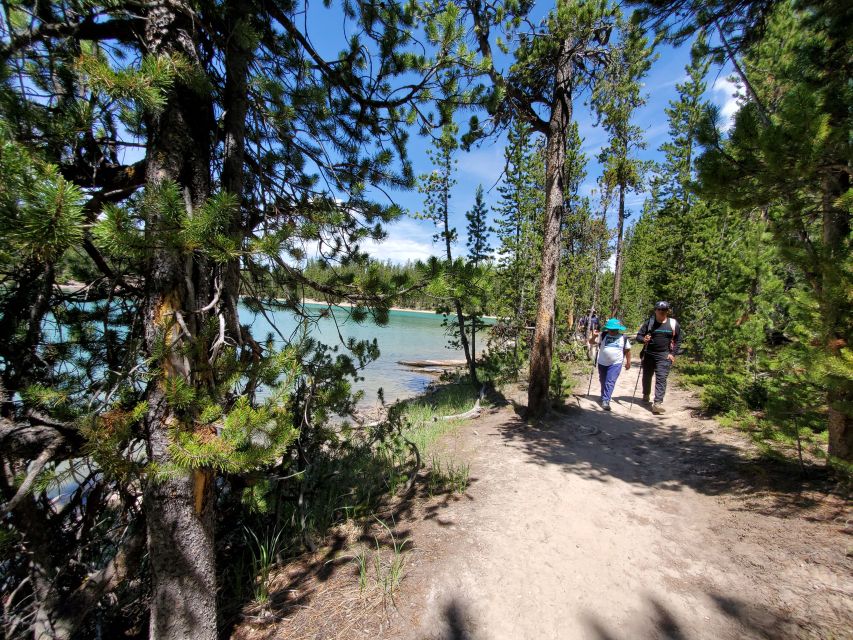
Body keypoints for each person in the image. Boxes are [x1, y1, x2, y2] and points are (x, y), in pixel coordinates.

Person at [635, 301, 683, 414]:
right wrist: (643, 340)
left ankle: (657, 403)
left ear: (668, 311)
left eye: (664, 310)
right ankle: (646, 394)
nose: (662, 312)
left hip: (664, 355)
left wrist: (673, 353)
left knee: (661, 378)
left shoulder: (673, 323)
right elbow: (638, 336)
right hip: (649, 354)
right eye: (659, 310)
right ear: (655, 310)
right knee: (647, 376)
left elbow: (678, 340)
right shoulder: (650, 323)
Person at [596, 318, 631, 411]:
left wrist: (628, 362)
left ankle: (606, 401)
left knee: (610, 381)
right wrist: (593, 336)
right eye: (610, 329)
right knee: (602, 380)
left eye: (614, 329)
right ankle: (603, 395)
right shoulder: (603, 335)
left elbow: (627, 350)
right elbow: (591, 342)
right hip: (602, 362)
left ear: (618, 329)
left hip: (616, 363)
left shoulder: (623, 337)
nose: (612, 331)